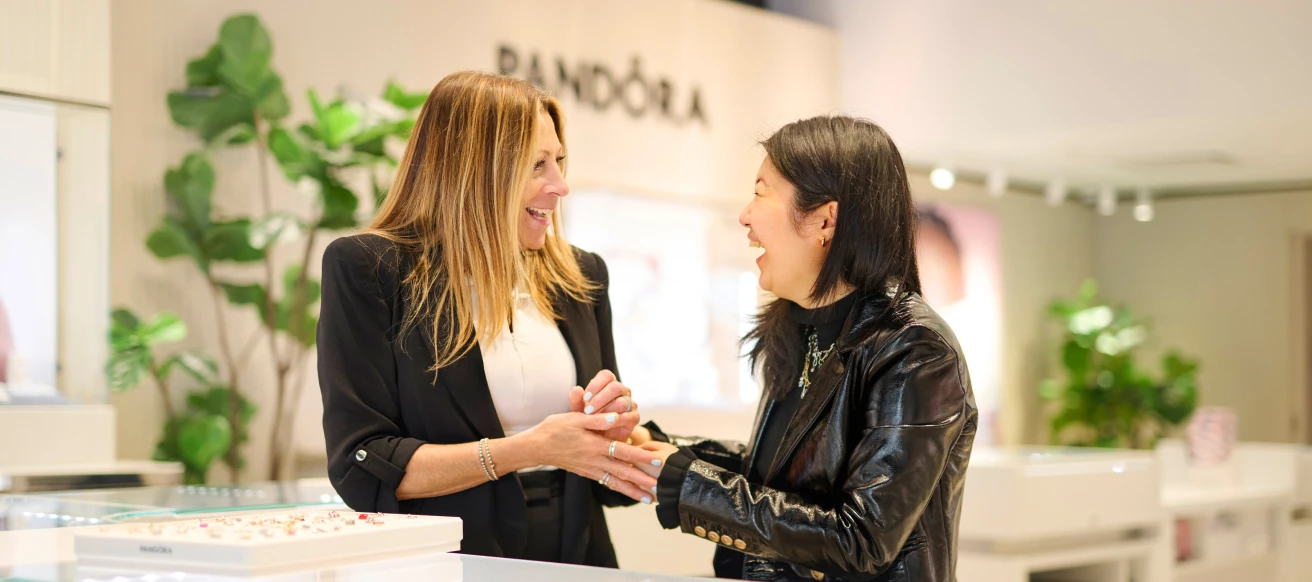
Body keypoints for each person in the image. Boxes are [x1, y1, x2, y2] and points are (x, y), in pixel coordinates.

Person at [614, 116, 978, 581]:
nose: (745, 215)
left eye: (761, 191)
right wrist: (662, 451)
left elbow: (860, 540)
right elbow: (787, 475)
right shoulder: (797, 327)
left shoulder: (914, 350)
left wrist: (688, 483)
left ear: (824, 219)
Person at [317, 71, 656, 567]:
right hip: (445, 562)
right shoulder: (370, 268)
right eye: (538, 165)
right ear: (476, 169)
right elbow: (363, 467)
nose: (560, 185)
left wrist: (616, 428)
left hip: (577, 555)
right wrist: (529, 448)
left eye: (558, 161)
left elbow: (607, 469)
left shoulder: (581, 275)